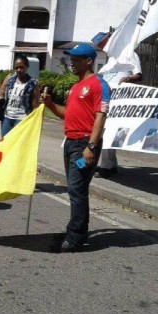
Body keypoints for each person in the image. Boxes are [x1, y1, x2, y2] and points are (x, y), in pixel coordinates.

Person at [42, 43, 110, 252]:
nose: (72, 62)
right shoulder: (76, 86)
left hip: (84, 146)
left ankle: (76, 237)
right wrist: (51, 105)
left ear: (89, 60)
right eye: (71, 58)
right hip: (70, 144)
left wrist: (91, 146)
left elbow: (101, 116)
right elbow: (68, 114)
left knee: (77, 188)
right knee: (75, 187)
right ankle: (77, 229)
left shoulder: (99, 85)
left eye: (77, 59)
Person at [96, 53, 143, 178]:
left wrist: (127, 79)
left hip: (118, 103)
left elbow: (138, 76)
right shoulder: (111, 58)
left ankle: (107, 166)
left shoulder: (131, 55)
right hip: (105, 99)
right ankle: (108, 164)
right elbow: (101, 76)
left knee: (107, 133)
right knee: (100, 132)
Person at [0, 55, 40, 137]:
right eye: (16, 67)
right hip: (7, 118)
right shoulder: (10, 78)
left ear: (27, 66)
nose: (19, 70)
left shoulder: (33, 83)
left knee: (16, 146)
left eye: (21, 67)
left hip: (22, 119)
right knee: (5, 144)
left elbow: (35, 106)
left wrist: (34, 124)